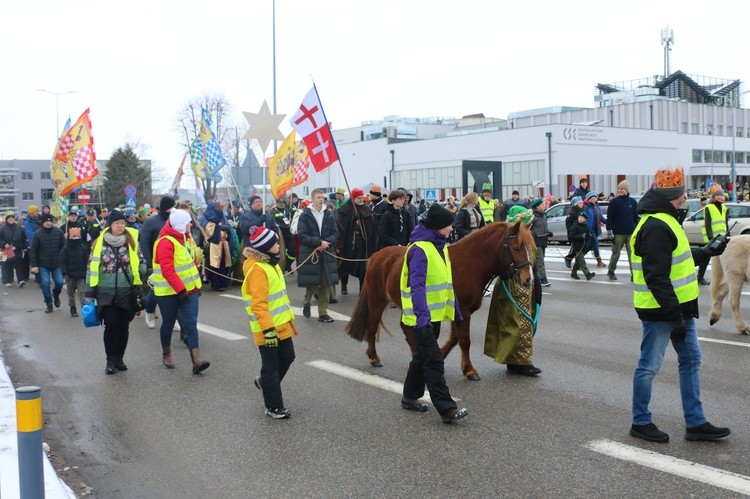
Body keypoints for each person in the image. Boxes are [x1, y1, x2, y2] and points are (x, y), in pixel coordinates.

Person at [629, 166, 730, 443]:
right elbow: (656, 277)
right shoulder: (656, 226)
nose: (686, 195)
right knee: (649, 365)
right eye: (683, 191)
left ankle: (696, 423)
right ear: (673, 195)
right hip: (662, 311)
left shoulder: (666, 220)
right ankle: (640, 421)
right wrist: (675, 318)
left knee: (691, 359)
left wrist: (707, 251)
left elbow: (679, 258)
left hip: (678, 309)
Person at [400, 203, 468, 423]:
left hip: (434, 315)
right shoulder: (420, 249)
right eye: (448, 225)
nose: (451, 229)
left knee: (421, 357)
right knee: (434, 361)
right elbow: (416, 286)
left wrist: (456, 311)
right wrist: (422, 318)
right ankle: (447, 408)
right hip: (422, 318)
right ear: (438, 227)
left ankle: (409, 397)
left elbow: (446, 283)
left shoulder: (441, 247)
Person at [243, 225, 297, 419]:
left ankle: (265, 383)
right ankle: (273, 406)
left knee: (288, 356)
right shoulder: (258, 269)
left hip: (280, 325)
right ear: (265, 247)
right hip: (268, 328)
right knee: (271, 367)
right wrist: (267, 330)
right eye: (275, 243)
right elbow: (258, 305)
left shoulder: (270, 264)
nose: (278, 245)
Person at [84, 210, 146, 374]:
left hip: (127, 291)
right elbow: (91, 268)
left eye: (123, 223)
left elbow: (141, 261)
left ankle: (120, 358)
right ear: (110, 224)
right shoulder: (99, 243)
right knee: (111, 326)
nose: (121, 226)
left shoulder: (131, 241)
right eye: (117, 223)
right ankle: (110, 360)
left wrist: (140, 271)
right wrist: (89, 293)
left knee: (123, 326)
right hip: (106, 292)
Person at [484, 205, 542, 376]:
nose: (531, 225)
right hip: (511, 287)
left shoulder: (528, 239)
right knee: (516, 325)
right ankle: (522, 363)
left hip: (527, 286)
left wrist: (537, 284)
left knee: (525, 323)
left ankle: (515, 361)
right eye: (528, 223)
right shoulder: (510, 240)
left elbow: (533, 264)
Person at [152, 209, 210, 374]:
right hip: (169, 293)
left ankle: (196, 359)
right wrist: (181, 290)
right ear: (179, 225)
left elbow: (190, 264)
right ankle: (167, 354)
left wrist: (195, 286)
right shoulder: (165, 242)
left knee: (191, 322)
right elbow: (167, 270)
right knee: (169, 323)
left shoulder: (186, 238)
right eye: (188, 222)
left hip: (188, 290)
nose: (191, 224)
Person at [296, 189, 339, 323]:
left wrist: (327, 243)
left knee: (326, 284)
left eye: (323, 197)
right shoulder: (305, 215)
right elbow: (302, 234)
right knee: (313, 283)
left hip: (326, 252)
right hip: (311, 253)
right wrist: (318, 242)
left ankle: (323, 313)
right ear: (312, 198)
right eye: (319, 197)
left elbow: (335, 233)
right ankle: (306, 303)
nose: (321, 199)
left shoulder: (329, 214)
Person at [139, 196, 175, 328]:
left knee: (174, 291)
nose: (173, 210)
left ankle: (175, 318)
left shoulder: (174, 220)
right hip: (157, 262)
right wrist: (149, 263)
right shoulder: (151, 222)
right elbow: (144, 242)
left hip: (173, 262)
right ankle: (149, 311)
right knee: (156, 290)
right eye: (171, 207)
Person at [335, 188, 376, 295]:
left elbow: (371, 227)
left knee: (363, 267)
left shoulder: (366, 209)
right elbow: (341, 227)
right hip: (349, 243)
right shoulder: (345, 210)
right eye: (359, 198)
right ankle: (344, 286)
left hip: (362, 244)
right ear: (353, 198)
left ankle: (361, 288)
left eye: (362, 197)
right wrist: (353, 219)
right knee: (345, 265)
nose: (361, 200)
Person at [30, 213, 65, 313]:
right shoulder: (37, 234)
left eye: (50, 221)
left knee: (59, 282)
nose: (49, 223)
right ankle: (49, 304)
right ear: (43, 222)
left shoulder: (59, 232)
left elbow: (64, 247)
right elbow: (33, 250)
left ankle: (56, 294)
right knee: (45, 283)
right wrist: (34, 265)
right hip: (43, 264)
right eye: (46, 221)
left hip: (57, 263)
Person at [606, 180, 639, 281]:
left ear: (626, 190)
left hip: (630, 232)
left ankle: (634, 274)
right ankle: (611, 271)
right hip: (618, 232)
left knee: (631, 254)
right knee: (616, 253)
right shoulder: (614, 202)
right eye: (619, 188)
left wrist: (637, 228)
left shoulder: (632, 202)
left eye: (622, 189)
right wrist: (609, 230)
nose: (620, 190)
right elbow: (610, 217)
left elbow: (635, 217)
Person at [696, 184, 728, 286]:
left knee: (723, 258)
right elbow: (707, 224)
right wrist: (710, 238)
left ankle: (722, 279)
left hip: (722, 237)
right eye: (718, 195)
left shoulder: (723, 207)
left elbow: (725, 222)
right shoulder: (708, 207)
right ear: (713, 197)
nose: (720, 197)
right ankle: (700, 277)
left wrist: (728, 235)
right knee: (706, 258)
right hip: (711, 238)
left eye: (721, 195)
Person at [60, 227, 90, 317]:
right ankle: (72, 308)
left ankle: (84, 309)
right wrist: (64, 272)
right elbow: (62, 261)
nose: (76, 238)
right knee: (71, 293)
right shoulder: (65, 249)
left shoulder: (83, 248)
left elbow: (86, 261)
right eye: (74, 236)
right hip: (70, 276)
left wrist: (86, 272)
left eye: (77, 236)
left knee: (82, 293)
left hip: (81, 275)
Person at [203, 202, 232, 292]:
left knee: (224, 264)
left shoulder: (221, 218)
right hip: (215, 247)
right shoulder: (209, 221)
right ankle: (217, 283)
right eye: (217, 207)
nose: (220, 208)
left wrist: (226, 229)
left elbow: (228, 230)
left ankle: (224, 281)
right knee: (215, 265)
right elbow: (212, 236)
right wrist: (220, 228)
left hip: (223, 245)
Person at [0, 213, 28, 288]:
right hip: (4, 250)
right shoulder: (2, 228)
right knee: (6, 265)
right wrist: (3, 244)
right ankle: (8, 280)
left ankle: (20, 280)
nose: (11, 219)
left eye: (12, 218)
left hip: (17, 249)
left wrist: (25, 246)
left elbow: (24, 238)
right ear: (6, 220)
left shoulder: (19, 227)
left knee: (19, 265)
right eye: (9, 218)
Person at [567, 210, 595, 280]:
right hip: (577, 247)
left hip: (584, 246)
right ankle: (587, 274)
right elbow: (571, 236)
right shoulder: (574, 227)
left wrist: (588, 236)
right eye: (579, 217)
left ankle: (573, 273)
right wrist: (580, 236)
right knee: (582, 261)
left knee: (578, 261)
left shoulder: (586, 227)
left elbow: (588, 237)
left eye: (582, 218)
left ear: (585, 219)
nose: (580, 219)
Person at [529, 198, 551, 287]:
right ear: (537, 207)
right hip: (536, 242)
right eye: (542, 205)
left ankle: (534, 277)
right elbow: (528, 229)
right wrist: (533, 234)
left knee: (536, 261)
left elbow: (544, 227)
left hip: (543, 241)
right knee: (540, 260)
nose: (544, 206)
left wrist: (548, 233)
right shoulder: (532, 217)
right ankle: (543, 279)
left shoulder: (543, 215)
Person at [271, 197, 295, 272]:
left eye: (282, 203)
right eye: (279, 202)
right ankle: (282, 267)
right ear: (276, 203)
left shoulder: (288, 209)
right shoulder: (273, 212)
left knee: (292, 250)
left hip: (289, 233)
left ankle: (288, 265)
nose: (281, 204)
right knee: (281, 252)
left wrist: (292, 211)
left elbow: (296, 213)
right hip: (281, 234)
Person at [585, 192, 606, 268]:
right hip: (591, 230)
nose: (594, 199)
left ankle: (579, 257)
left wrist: (608, 222)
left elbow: (601, 218)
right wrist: (588, 230)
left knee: (591, 246)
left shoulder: (597, 207)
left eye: (595, 198)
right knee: (596, 244)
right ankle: (599, 261)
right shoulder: (587, 208)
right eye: (593, 198)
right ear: (589, 200)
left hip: (596, 229)